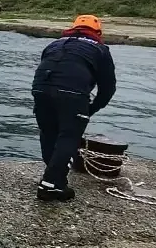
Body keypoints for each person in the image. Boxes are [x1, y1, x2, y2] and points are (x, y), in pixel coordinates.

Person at [31, 14, 117, 201]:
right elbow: (108, 88)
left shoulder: (54, 45)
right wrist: (92, 108)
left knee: (48, 132)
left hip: (40, 88)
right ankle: (50, 184)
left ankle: (55, 178)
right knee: (69, 136)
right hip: (72, 92)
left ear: (73, 27)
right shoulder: (100, 49)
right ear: (98, 32)